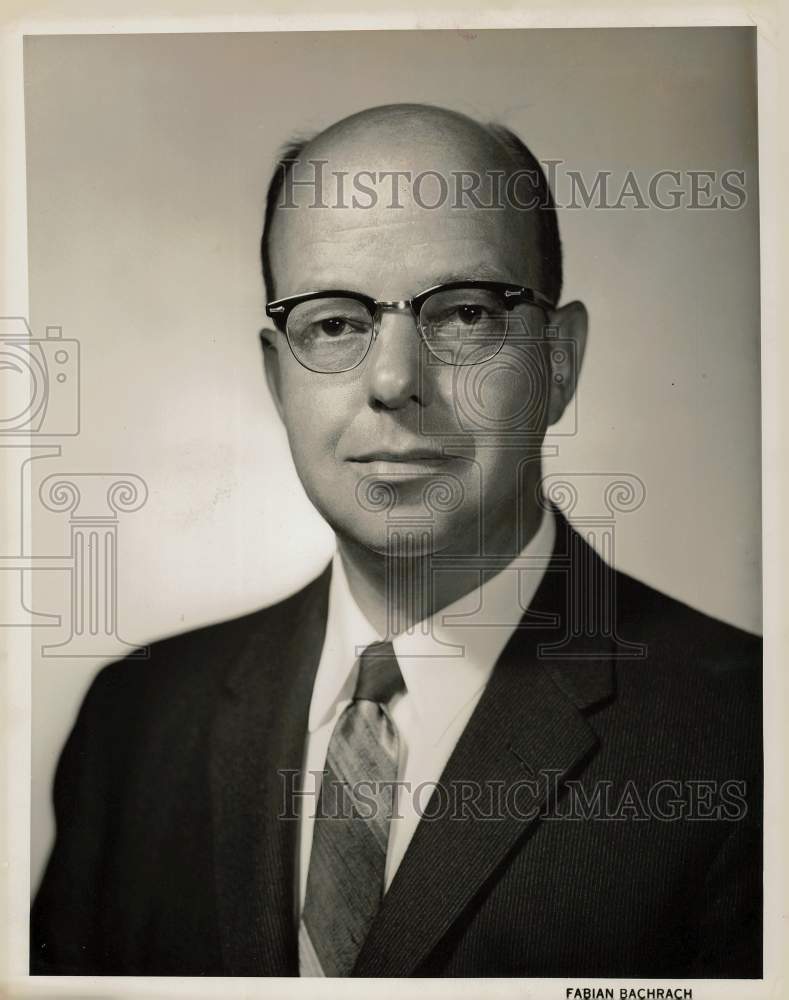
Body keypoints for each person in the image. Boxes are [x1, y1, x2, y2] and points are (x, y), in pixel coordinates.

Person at [31, 103, 762, 978]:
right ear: (276, 376)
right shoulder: (135, 724)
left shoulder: (750, 736)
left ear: (558, 361)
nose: (391, 381)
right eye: (333, 322)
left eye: (462, 315)